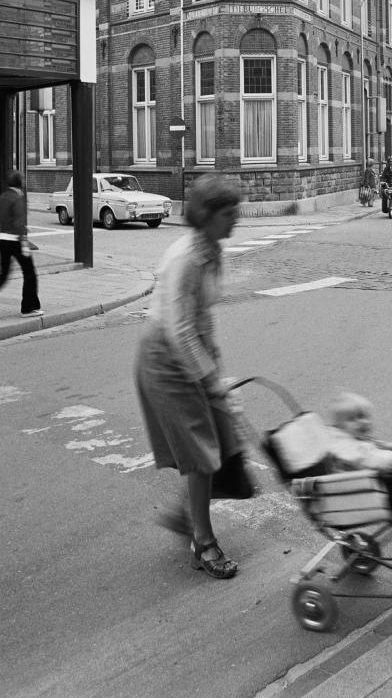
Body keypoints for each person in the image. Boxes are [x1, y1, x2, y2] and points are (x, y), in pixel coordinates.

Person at [134, 174, 244, 580]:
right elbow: (180, 330)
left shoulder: (212, 250)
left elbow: (203, 320)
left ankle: (187, 515)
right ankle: (204, 542)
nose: (236, 220)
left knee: (218, 441)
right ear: (206, 215)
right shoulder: (186, 258)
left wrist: (218, 375)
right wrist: (210, 379)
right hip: (165, 358)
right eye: (229, 214)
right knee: (201, 452)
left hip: (188, 354)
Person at [0, 171, 42, 317]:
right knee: (30, 273)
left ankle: (30, 306)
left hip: (2, 240)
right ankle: (29, 307)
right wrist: (24, 242)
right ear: (20, 183)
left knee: (3, 275)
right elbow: (19, 222)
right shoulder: (18, 197)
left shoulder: (3, 196)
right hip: (15, 240)